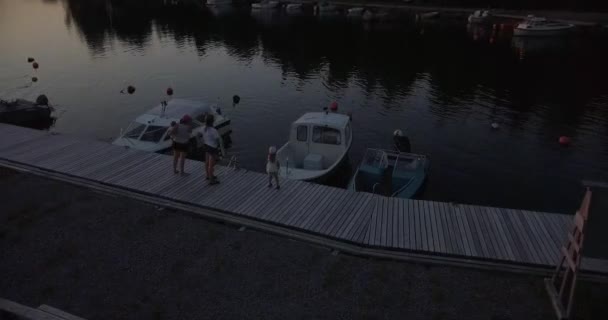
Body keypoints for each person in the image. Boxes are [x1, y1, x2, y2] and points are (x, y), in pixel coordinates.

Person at [203, 114, 220, 185]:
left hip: (206, 146)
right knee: (211, 164)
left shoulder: (203, 128)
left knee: (207, 162)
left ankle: (208, 175)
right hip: (212, 148)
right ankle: (211, 180)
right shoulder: (214, 130)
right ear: (212, 121)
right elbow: (218, 140)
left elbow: (198, 135)